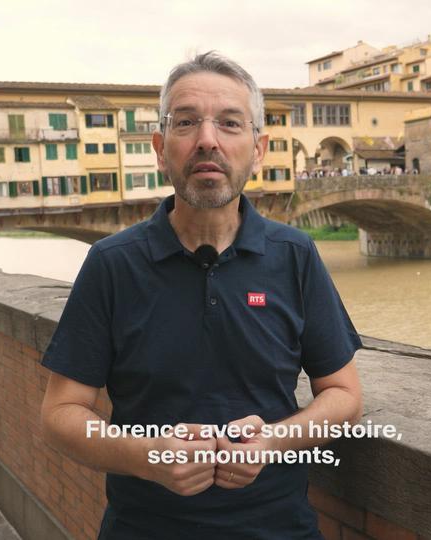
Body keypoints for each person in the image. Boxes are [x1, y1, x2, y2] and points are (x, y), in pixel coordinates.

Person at [39, 52, 363, 539]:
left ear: (258, 149)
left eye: (230, 123)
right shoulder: (113, 264)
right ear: (160, 146)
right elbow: (60, 415)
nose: (207, 139)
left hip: (280, 529)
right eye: (186, 122)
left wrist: (273, 441)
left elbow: (345, 396)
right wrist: (148, 457)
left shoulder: (294, 255)